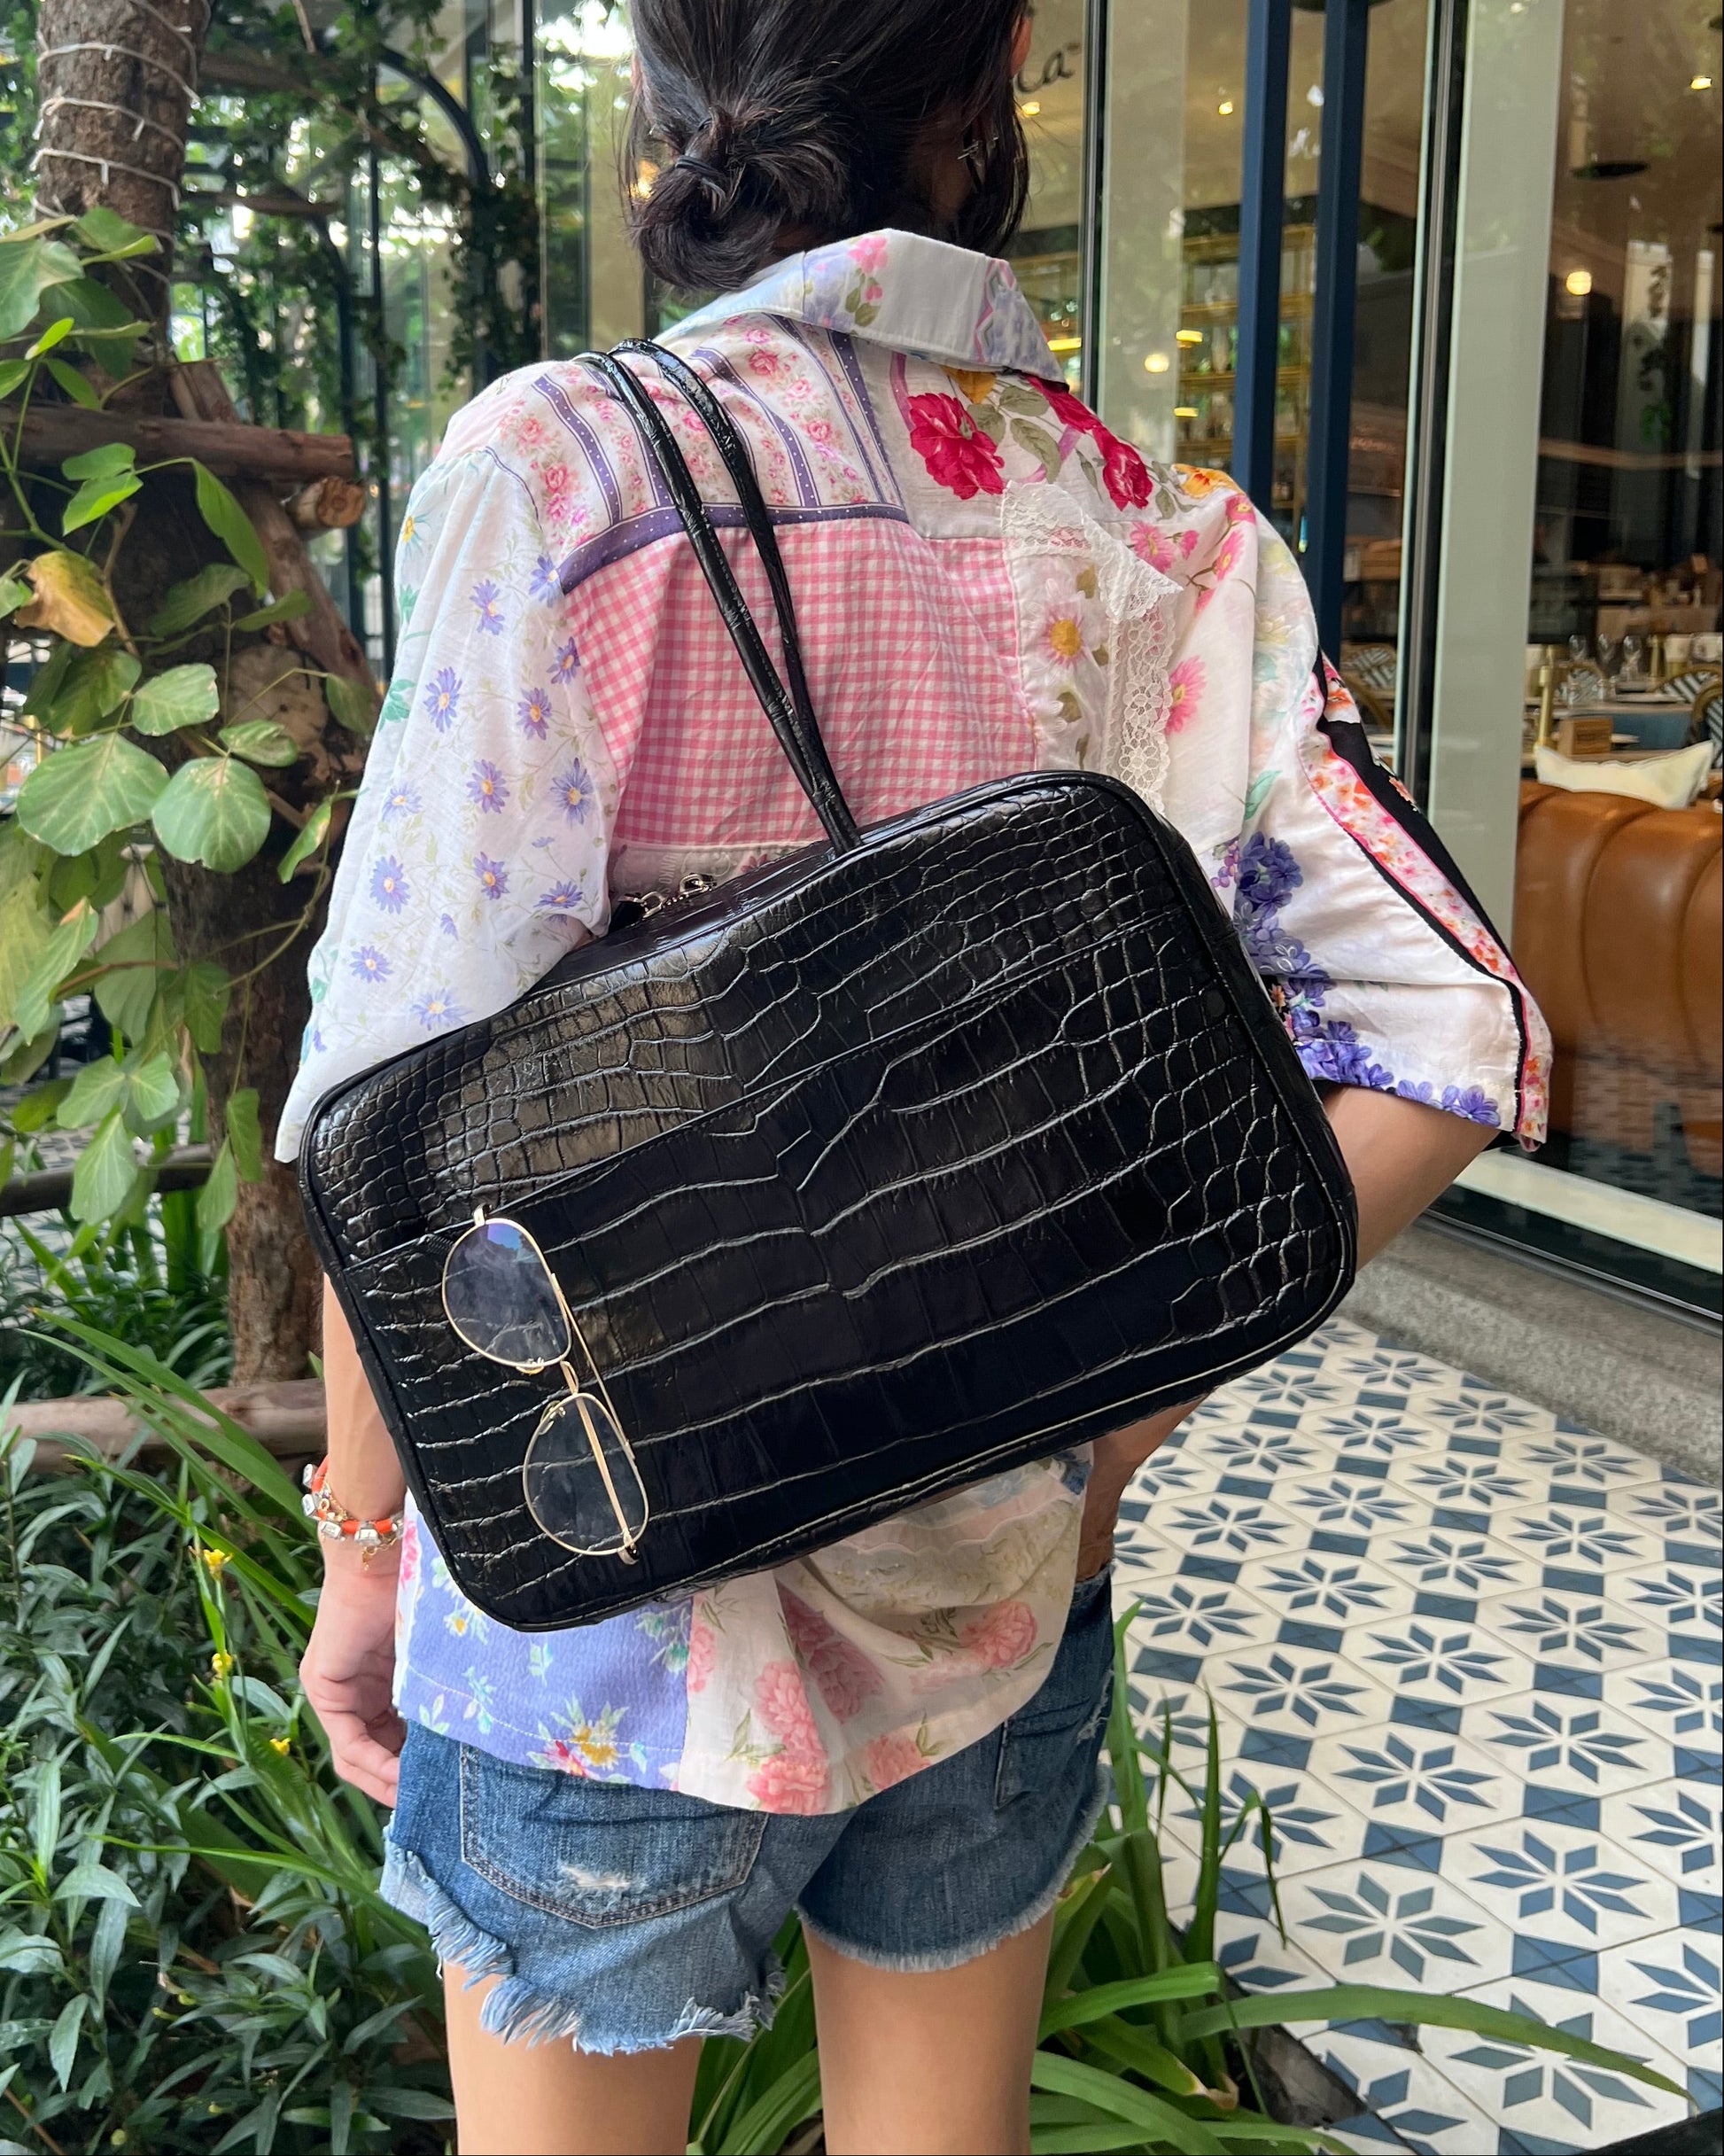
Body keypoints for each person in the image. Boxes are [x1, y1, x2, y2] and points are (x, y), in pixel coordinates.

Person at [279, 4, 1551, 2149]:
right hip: (997, 1595)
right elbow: (1457, 1027)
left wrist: (364, 1537)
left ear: (675, 107)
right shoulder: (1173, 531)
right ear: (997, 95)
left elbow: (393, 1110)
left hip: (613, 1623)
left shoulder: (563, 469)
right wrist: (1114, 1420)